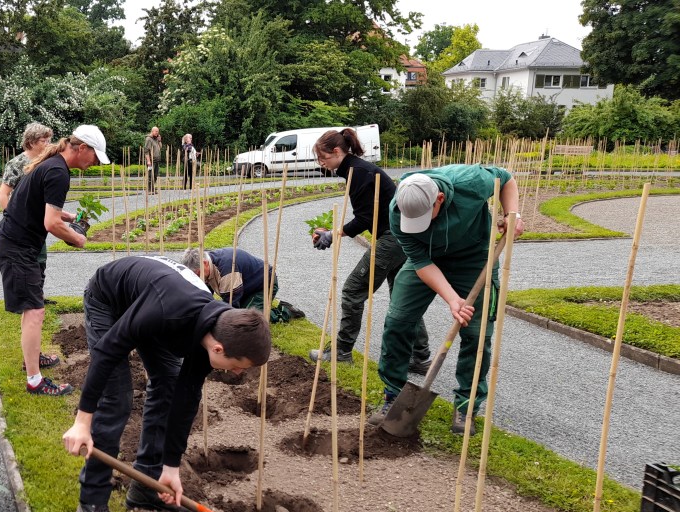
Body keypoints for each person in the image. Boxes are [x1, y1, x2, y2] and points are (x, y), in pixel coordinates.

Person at [61, 256, 271, 512]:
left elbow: (187, 397)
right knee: (117, 397)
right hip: (109, 301)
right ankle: (91, 507)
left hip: (149, 306)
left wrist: (170, 467)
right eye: (239, 366)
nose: (238, 373)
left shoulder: (215, 327)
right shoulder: (169, 311)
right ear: (220, 348)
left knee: (170, 386)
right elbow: (108, 352)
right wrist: (82, 422)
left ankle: (148, 484)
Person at [370, 166, 524, 435]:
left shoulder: (471, 182)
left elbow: (507, 179)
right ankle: (392, 395)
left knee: (477, 334)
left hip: (474, 259)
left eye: (424, 217)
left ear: (439, 199)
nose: (419, 223)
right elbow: (420, 262)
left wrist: (512, 214)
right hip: (428, 259)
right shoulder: (399, 209)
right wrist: (453, 299)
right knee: (398, 320)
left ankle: (466, 406)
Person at [0, 124, 109, 396]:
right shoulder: (58, 172)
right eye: (94, 157)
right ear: (82, 148)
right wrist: (77, 239)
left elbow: (38, 205)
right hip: (18, 247)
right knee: (35, 310)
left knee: (31, 309)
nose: (94, 164)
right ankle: (35, 381)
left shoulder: (53, 164)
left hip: (17, 244)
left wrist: (68, 218)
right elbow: (50, 223)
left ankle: (31, 360)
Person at [308, 128, 432, 373]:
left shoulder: (359, 173)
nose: (320, 162)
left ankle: (341, 353)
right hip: (401, 237)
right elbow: (367, 215)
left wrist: (333, 234)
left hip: (394, 238)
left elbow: (364, 218)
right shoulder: (355, 170)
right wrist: (332, 232)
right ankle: (422, 359)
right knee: (403, 298)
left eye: (322, 157)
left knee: (353, 290)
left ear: (336, 152)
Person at [0, 122, 54, 304]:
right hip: (22, 223)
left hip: (39, 222)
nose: (48, 143)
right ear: (30, 142)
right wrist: (13, 219)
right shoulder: (17, 163)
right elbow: (4, 193)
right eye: (44, 140)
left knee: (40, 259)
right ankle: (27, 299)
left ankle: (38, 296)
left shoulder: (47, 162)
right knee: (24, 261)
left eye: (49, 139)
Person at [180, 247, 304, 323]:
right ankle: (261, 306)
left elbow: (231, 306)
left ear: (205, 263)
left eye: (197, 274)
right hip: (244, 287)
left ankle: (286, 311)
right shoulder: (207, 266)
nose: (196, 278)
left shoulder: (227, 269)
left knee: (248, 319)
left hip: (263, 285)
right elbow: (205, 296)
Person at [143, 126, 162, 193]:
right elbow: (146, 151)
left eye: (158, 132)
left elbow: (160, 147)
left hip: (157, 160)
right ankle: (149, 189)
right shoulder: (148, 139)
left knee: (155, 175)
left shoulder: (156, 139)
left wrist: (159, 141)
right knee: (150, 175)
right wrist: (148, 161)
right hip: (151, 161)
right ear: (152, 131)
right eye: (156, 131)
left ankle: (152, 188)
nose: (157, 133)